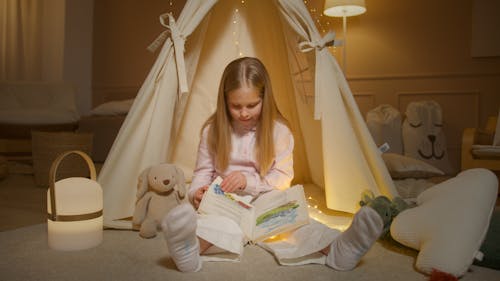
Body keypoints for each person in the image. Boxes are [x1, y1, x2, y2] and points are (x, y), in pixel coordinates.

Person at [161, 57, 384, 272]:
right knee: (218, 225)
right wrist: (195, 193)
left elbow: (283, 178)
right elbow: (202, 172)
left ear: (265, 99)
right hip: (227, 201)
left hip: (267, 197)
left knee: (293, 220)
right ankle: (189, 248)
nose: (244, 113)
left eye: (252, 105)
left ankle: (338, 249)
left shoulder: (280, 131)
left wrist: (248, 182)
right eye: (236, 106)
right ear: (224, 101)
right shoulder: (213, 131)